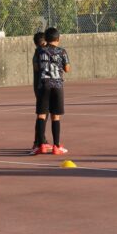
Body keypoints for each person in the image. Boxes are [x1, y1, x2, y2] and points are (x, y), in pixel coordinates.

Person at [32, 27, 71, 155]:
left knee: (41, 115)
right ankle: (56, 146)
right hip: (57, 86)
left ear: (46, 39)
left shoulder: (39, 51)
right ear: (58, 39)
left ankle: (41, 145)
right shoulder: (62, 51)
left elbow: (36, 68)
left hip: (43, 85)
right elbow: (67, 68)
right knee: (56, 116)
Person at [31, 31, 49, 152]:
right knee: (42, 115)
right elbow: (37, 68)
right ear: (42, 42)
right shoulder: (39, 53)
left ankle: (40, 139)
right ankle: (38, 141)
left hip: (40, 86)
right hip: (41, 86)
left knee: (44, 115)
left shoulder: (39, 52)